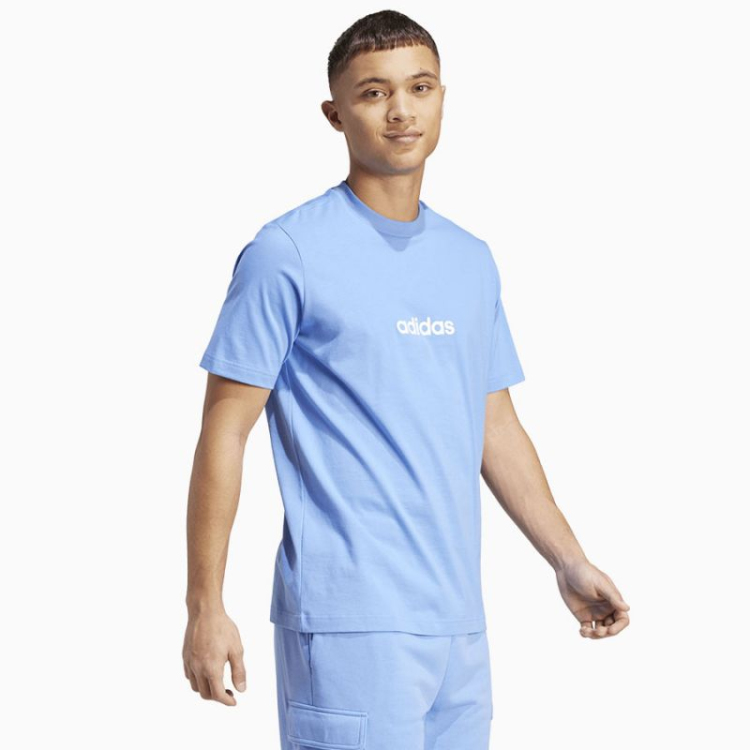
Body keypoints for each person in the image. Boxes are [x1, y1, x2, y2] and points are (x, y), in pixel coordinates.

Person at [183, 9, 630, 750]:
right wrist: (205, 605)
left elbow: (494, 425)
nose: (400, 110)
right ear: (335, 114)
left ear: (442, 98)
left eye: (419, 88)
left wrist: (568, 559)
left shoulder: (470, 260)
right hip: (348, 624)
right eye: (373, 92)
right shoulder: (286, 253)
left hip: (458, 623)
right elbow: (223, 431)